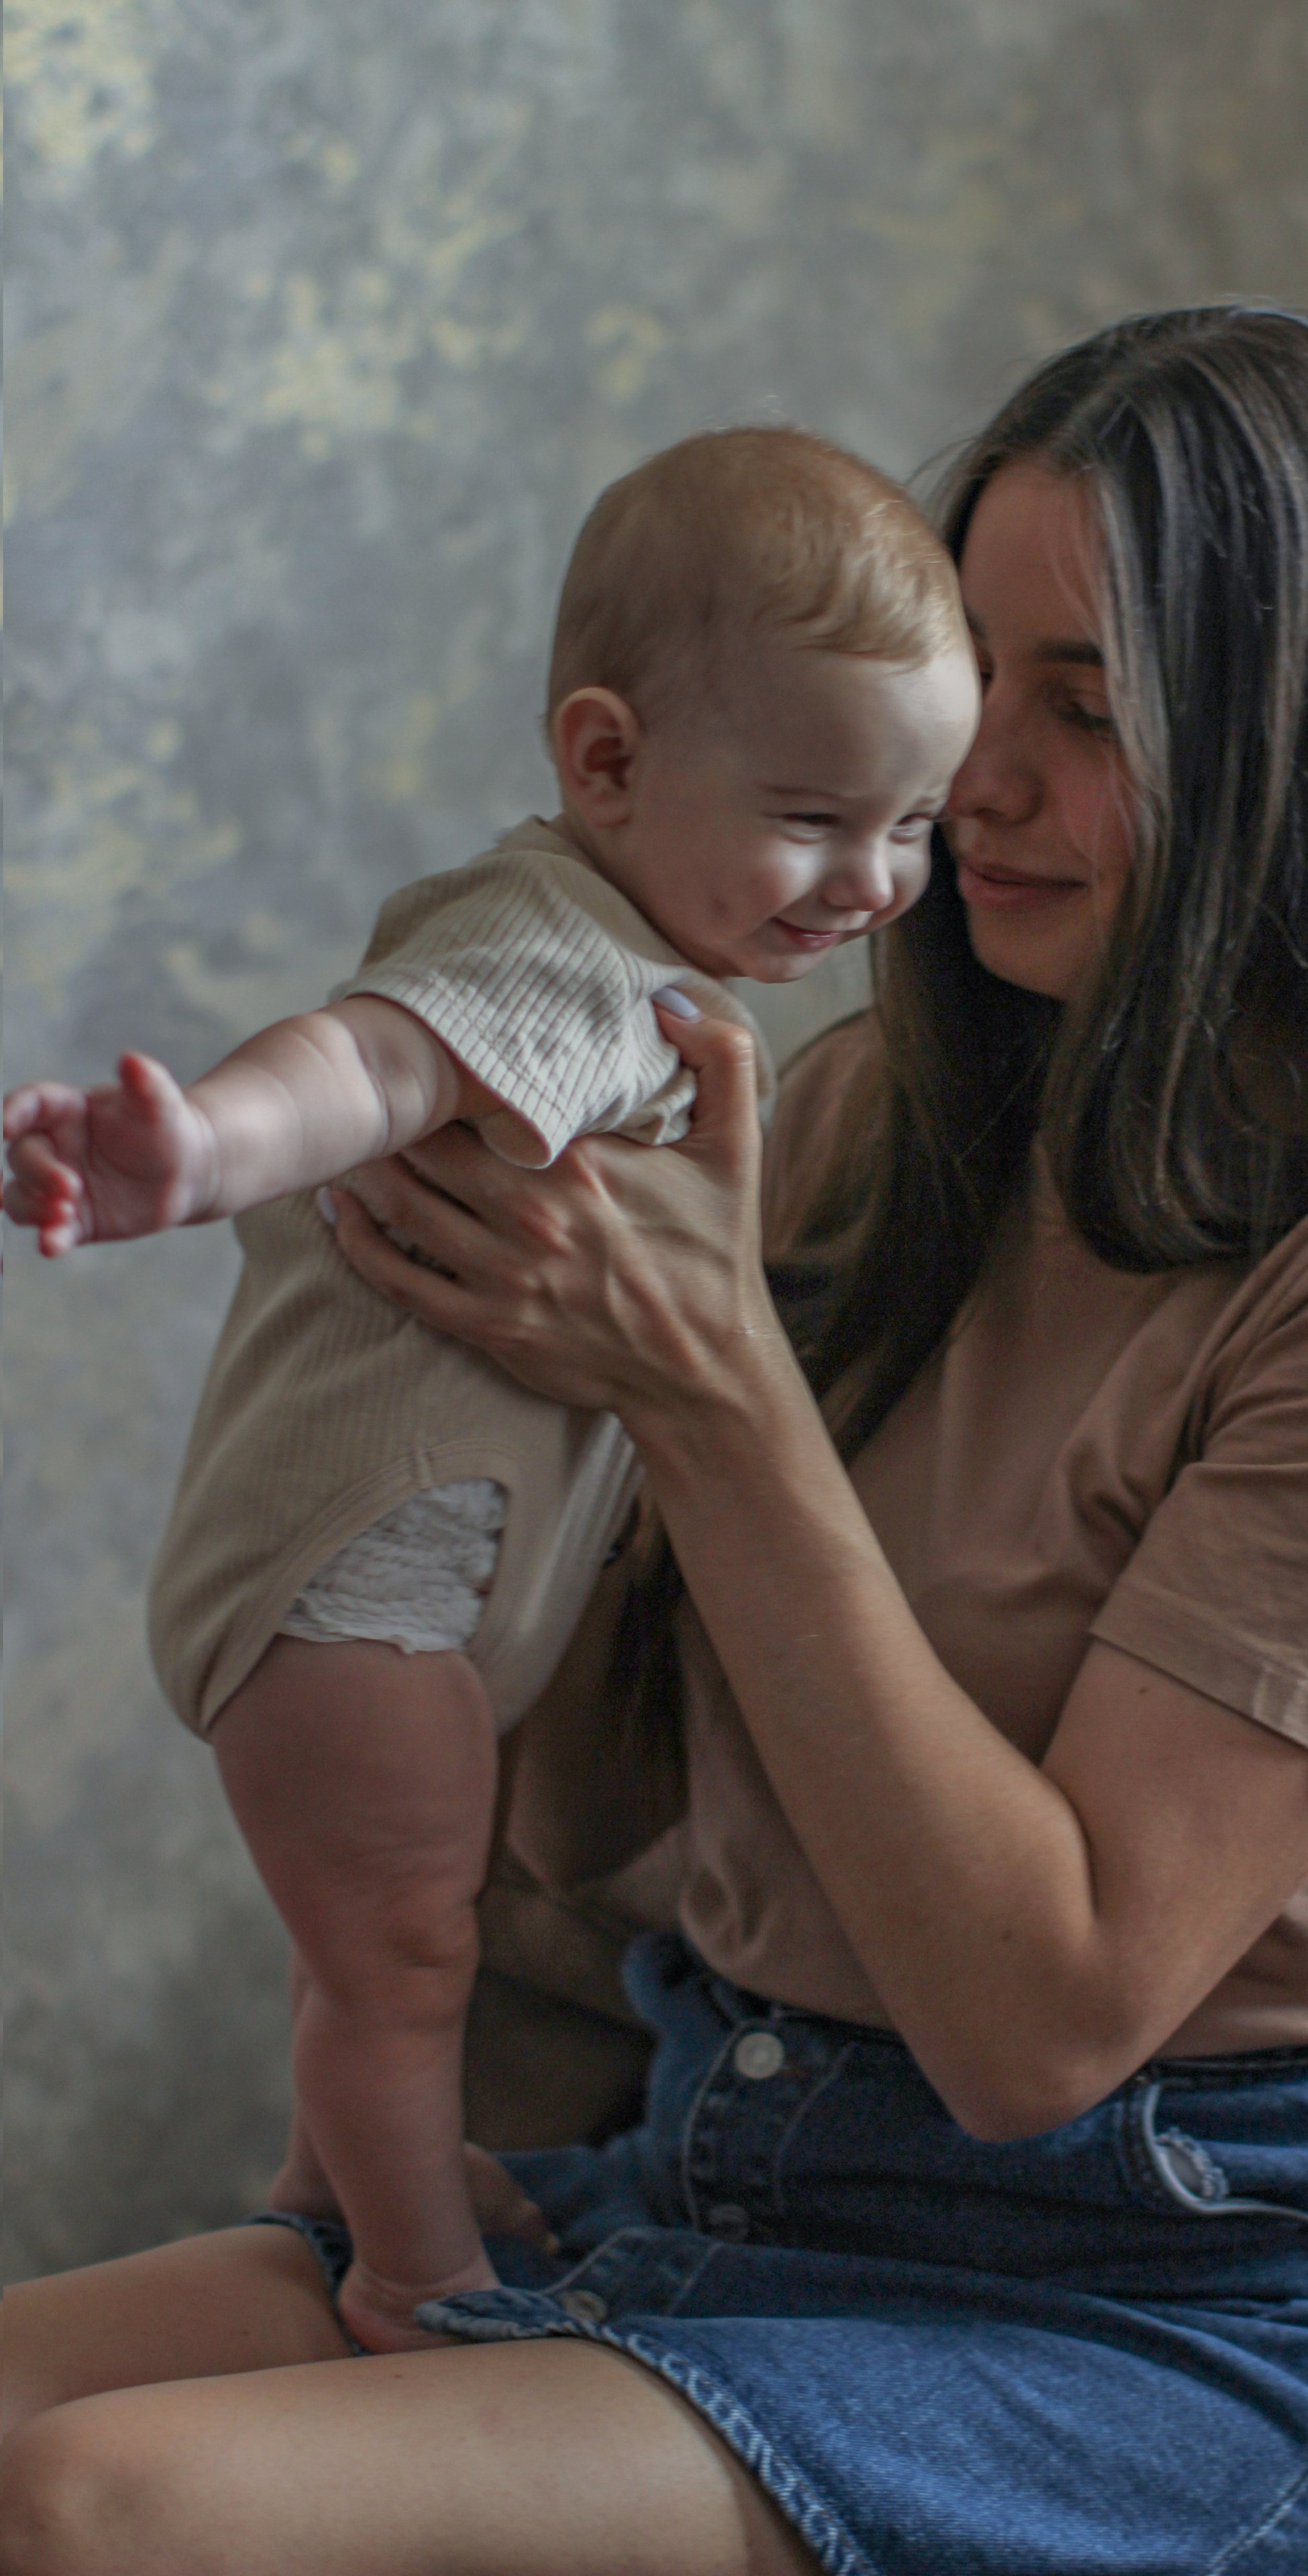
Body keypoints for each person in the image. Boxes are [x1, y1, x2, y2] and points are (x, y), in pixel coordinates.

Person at [2, 307, 1308, 2576]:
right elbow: (598, 1820)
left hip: (1188, 2310)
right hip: (739, 2164)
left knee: (100, 2510)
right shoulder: (866, 1121)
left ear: (1301, 753)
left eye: (1085, 708)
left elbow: (1040, 2027)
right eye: (976, 681)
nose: (975, 782)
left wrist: (710, 1396)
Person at [0, 427, 980, 2355]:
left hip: (417, 1594)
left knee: (377, 1958)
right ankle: (415, 2281)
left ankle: (333, 2201)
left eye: (916, 825)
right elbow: (370, 1063)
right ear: (605, 761)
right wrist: (200, 1152)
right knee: (401, 1961)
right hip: (348, 1588)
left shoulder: (658, 978)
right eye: (813, 817)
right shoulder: (558, 950)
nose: (874, 882)